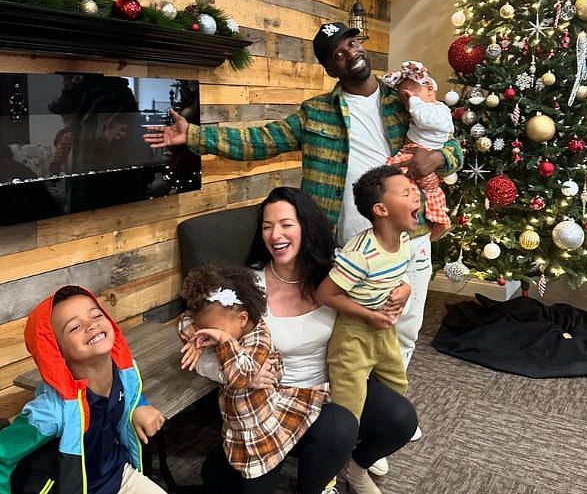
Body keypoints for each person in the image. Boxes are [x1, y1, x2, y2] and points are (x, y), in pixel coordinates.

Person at [146, 22, 446, 451]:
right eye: (337, 53)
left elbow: (448, 140)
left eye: (352, 43)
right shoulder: (316, 113)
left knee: (403, 330)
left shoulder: (405, 102)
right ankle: (351, 417)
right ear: (329, 67)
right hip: (346, 243)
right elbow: (258, 140)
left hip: (407, 238)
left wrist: (440, 156)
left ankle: (388, 412)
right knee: (352, 333)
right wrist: (193, 136)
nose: (349, 53)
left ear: (361, 46)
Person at [184, 187, 415, 494]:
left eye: (286, 224)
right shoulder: (246, 284)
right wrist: (231, 373)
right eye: (266, 226)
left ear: (306, 226)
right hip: (273, 400)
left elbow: (387, 271)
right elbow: (199, 332)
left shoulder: (336, 271)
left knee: (400, 420)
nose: (275, 235)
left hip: (333, 386)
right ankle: (310, 478)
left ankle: (327, 486)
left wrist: (404, 287)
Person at [0, 286, 195, 494]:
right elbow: (2, 453)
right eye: (74, 327)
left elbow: (131, 395)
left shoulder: (126, 372)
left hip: (119, 478)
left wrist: (138, 407)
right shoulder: (50, 411)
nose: (91, 325)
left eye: (96, 315)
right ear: (55, 351)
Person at [179, 266, 328, 494]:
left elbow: (240, 377)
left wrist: (224, 339)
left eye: (214, 331)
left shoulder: (260, 338)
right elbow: (186, 319)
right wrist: (195, 336)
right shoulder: (224, 319)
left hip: (262, 427)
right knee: (218, 478)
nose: (210, 335)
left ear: (243, 319)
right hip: (237, 425)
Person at [316, 166, 416, 427]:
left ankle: (377, 437)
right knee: (349, 404)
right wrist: (369, 315)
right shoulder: (360, 254)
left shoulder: (404, 240)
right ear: (381, 210)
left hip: (384, 331)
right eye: (406, 192)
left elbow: (396, 277)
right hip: (353, 337)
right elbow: (325, 294)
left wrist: (406, 290)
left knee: (397, 386)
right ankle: (341, 455)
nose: (416, 194)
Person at [380, 61, 462, 241]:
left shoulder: (438, 111)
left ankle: (437, 222)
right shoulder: (425, 109)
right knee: (419, 188)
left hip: (419, 154)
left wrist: (414, 101)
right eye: (403, 98)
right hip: (411, 151)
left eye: (410, 95)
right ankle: (434, 219)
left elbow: (425, 120)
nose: (406, 102)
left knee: (396, 177)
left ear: (430, 89)